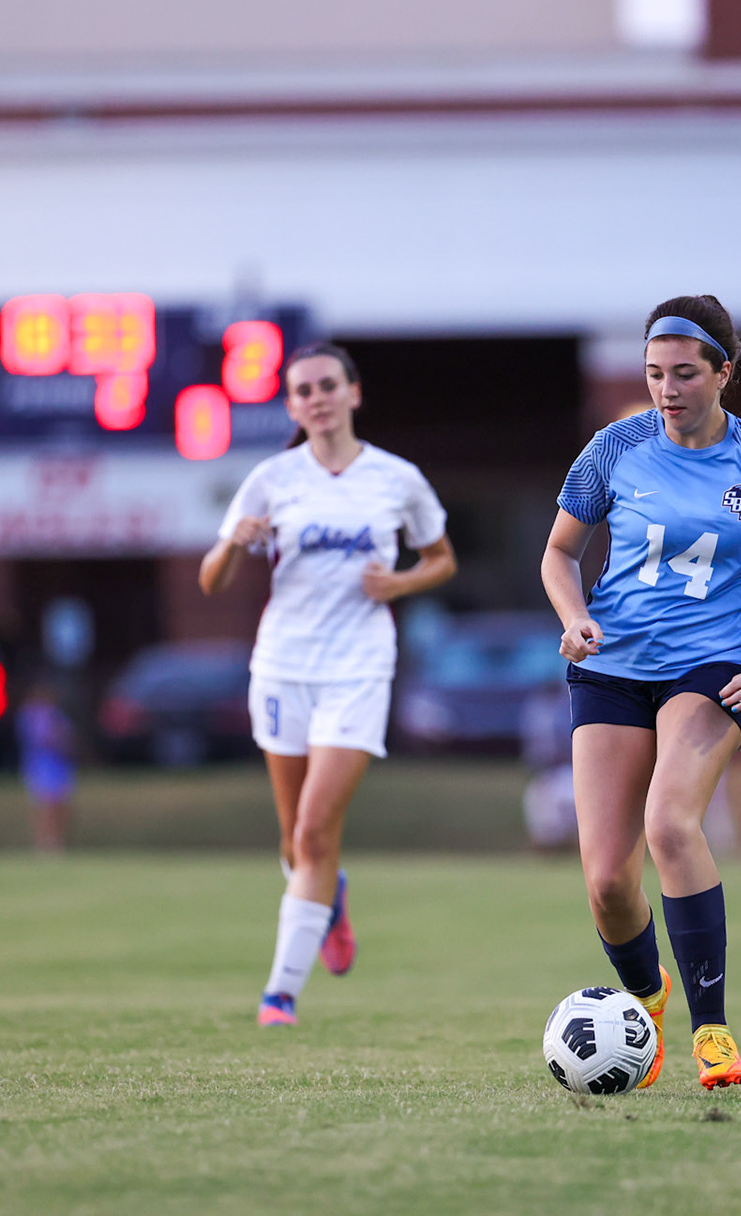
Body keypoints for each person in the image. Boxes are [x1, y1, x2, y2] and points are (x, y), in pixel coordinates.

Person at [541, 295, 741, 1090]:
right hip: (611, 666)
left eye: (683, 374)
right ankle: (645, 1002)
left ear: (722, 373)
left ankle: (713, 1030)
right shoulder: (614, 449)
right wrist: (574, 619)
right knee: (607, 880)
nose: (667, 390)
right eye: (653, 374)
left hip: (710, 667)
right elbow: (560, 554)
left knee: (670, 824)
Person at [199, 342, 456, 1027]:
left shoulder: (396, 478)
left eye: (326, 385)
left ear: (353, 393)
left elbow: (440, 559)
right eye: (302, 390)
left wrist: (398, 582)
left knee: (315, 830)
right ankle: (330, 901)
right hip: (283, 667)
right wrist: (233, 542)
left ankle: (278, 995)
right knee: (296, 843)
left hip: (358, 669)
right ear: (292, 405)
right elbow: (210, 579)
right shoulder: (272, 478)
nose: (315, 398)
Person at [16, 684, 76, 854]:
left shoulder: (57, 715)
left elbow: (68, 739)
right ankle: (43, 843)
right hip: (42, 764)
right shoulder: (31, 715)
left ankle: (56, 841)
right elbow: (43, 739)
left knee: (60, 806)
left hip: (60, 764)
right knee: (44, 805)